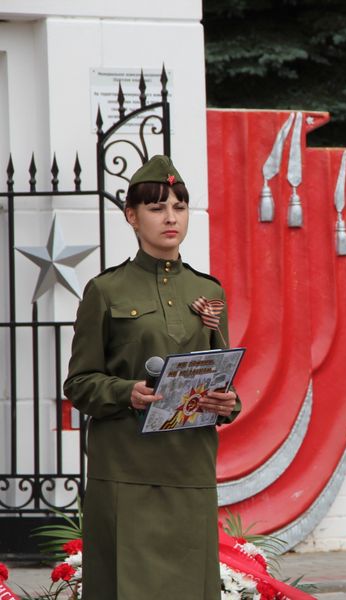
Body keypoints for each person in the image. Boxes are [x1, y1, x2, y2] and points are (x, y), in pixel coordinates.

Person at [64, 155, 240, 599]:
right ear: (132, 216)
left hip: (189, 466)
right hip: (125, 468)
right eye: (157, 208)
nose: (170, 218)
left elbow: (222, 372)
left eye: (179, 207)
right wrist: (128, 393)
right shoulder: (106, 291)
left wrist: (227, 404)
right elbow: (79, 383)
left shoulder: (208, 290)